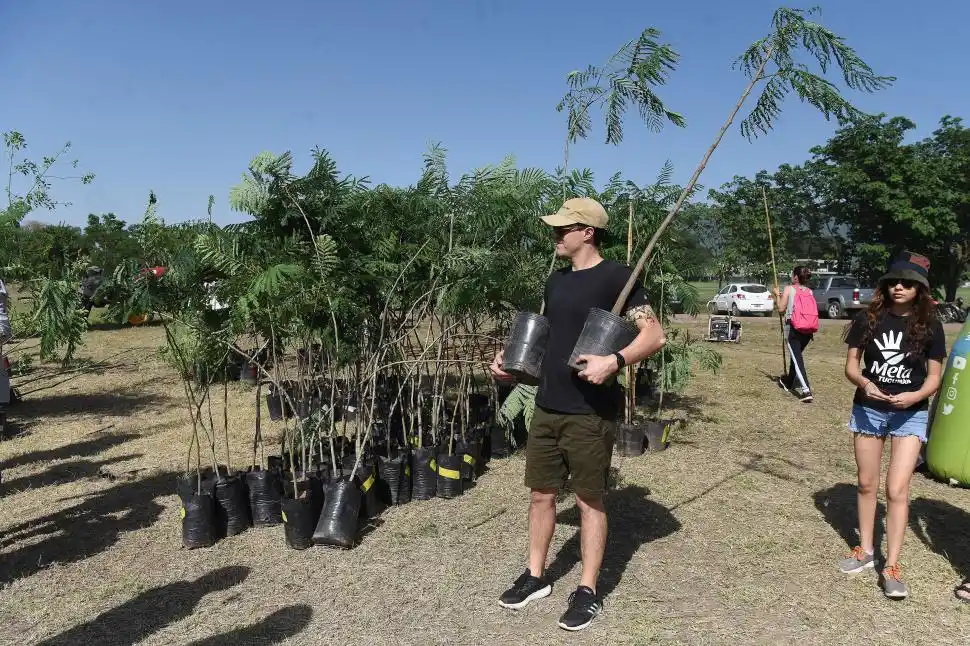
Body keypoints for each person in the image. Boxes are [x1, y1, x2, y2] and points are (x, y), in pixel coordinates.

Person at [489, 197, 666, 631]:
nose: (555, 234)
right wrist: (513, 367)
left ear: (588, 232)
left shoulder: (618, 278)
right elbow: (548, 340)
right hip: (548, 406)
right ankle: (535, 576)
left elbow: (655, 335)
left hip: (590, 412)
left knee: (589, 500)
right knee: (540, 495)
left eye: (563, 228)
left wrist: (615, 361)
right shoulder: (556, 281)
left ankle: (587, 590)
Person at [838, 251, 946, 600]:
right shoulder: (868, 319)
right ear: (885, 285)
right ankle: (866, 550)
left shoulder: (931, 325)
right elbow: (852, 366)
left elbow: (934, 377)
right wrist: (866, 385)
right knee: (867, 483)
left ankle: (893, 565)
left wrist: (915, 396)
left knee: (896, 490)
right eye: (894, 282)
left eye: (908, 283)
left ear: (920, 289)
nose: (900, 287)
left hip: (909, 413)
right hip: (869, 410)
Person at [774, 266, 815, 402]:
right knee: (795, 356)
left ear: (796, 277)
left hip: (794, 329)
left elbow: (781, 309)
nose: (791, 276)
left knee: (797, 359)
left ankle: (806, 390)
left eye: (792, 274)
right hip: (808, 331)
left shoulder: (788, 289)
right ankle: (789, 381)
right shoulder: (809, 291)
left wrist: (776, 296)